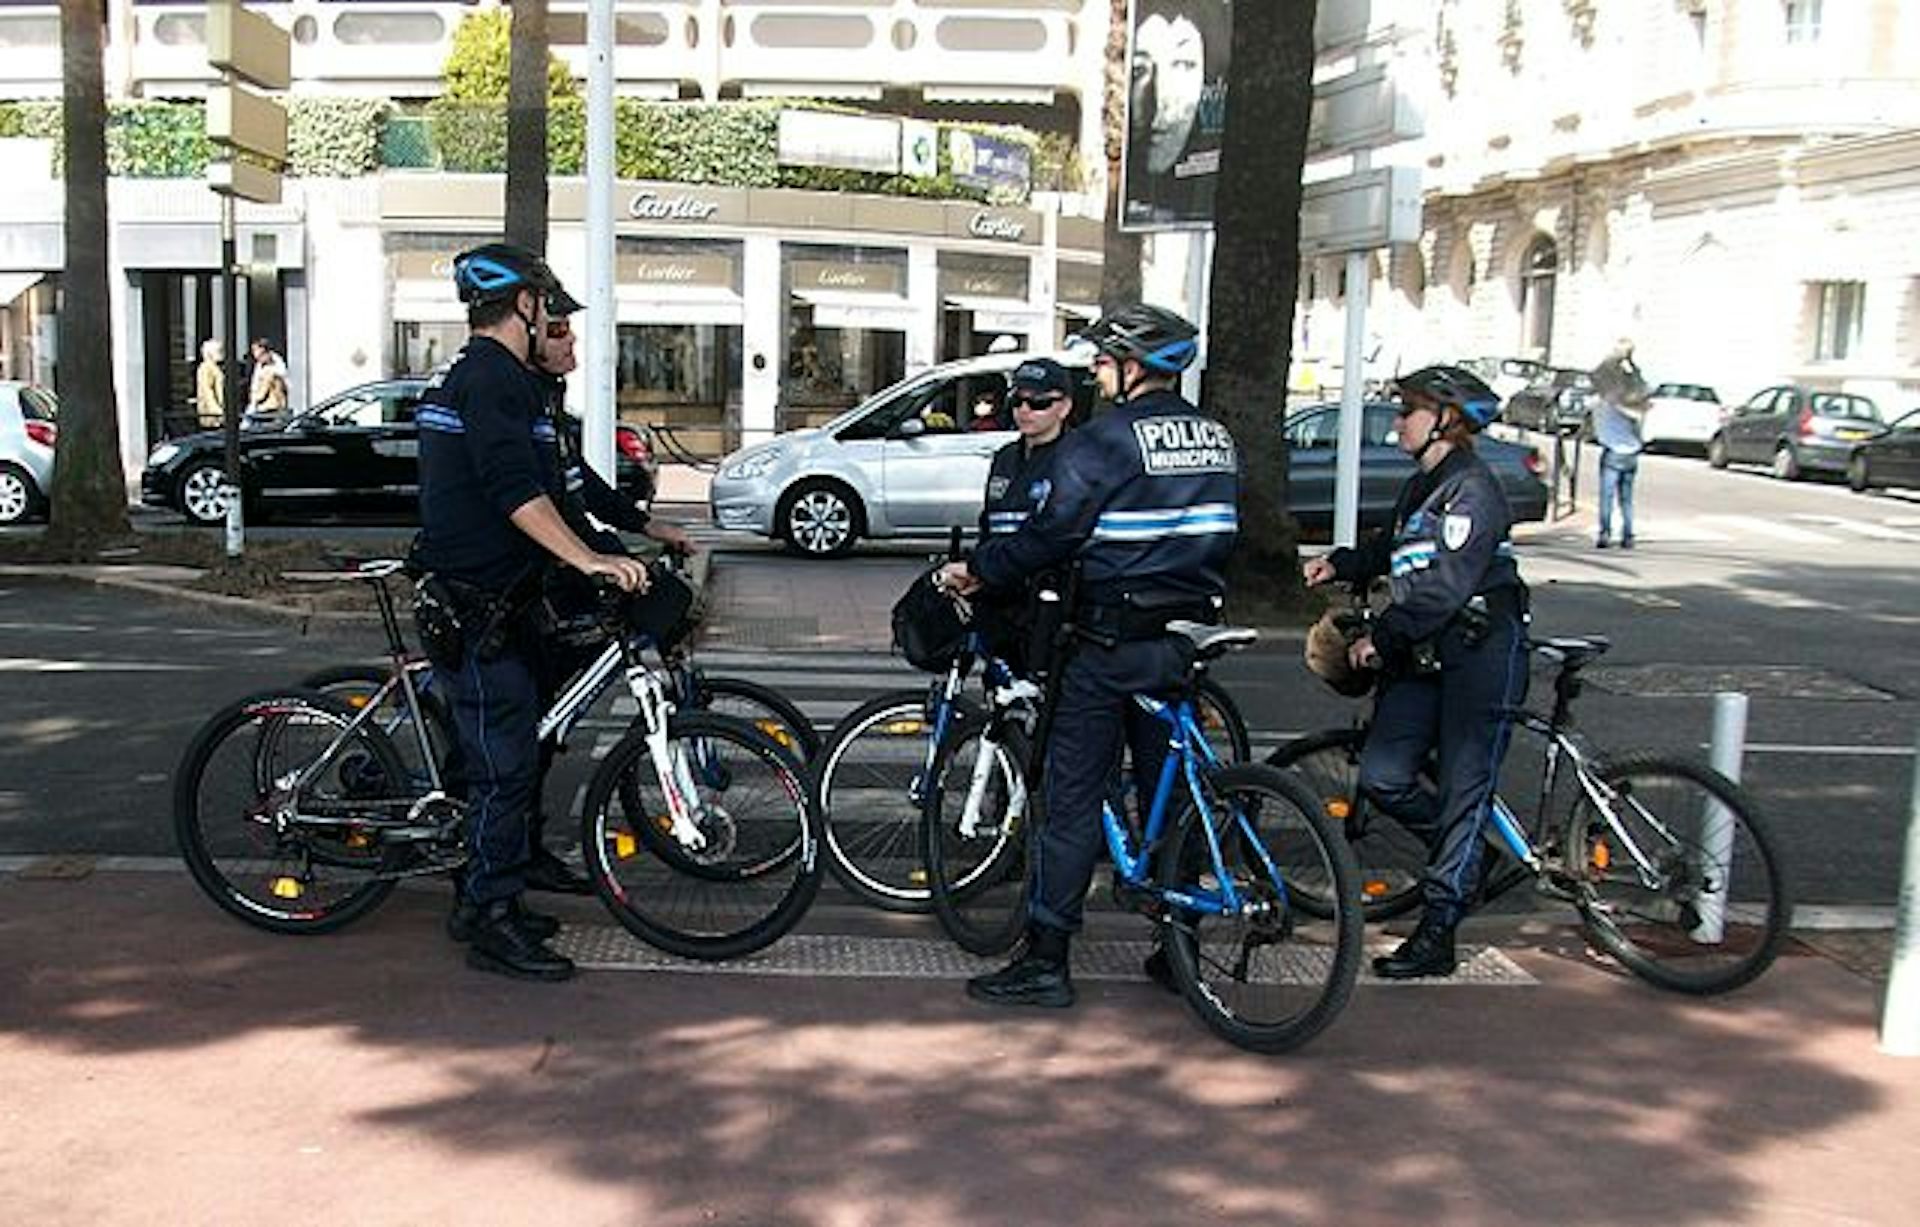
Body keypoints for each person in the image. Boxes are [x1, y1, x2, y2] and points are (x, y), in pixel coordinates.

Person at [937, 304, 1237, 1009]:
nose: (1098, 374)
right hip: (1186, 635)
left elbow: (1051, 536)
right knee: (1173, 789)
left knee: (1070, 801)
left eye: (1104, 362)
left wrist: (981, 569)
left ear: (1134, 367)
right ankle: (1179, 947)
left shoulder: (1103, 441)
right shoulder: (1218, 437)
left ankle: (1045, 961)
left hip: (1108, 642)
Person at [413, 241, 650, 982]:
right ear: (524, 304)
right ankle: (489, 917)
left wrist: (603, 547)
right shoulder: (492, 381)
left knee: (507, 755)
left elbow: (558, 491)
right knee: (503, 766)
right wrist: (588, 560)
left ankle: (494, 889)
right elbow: (515, 490)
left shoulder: (505, 380)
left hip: (500, 604)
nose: (555, 317)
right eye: (548, 303)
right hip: (474, 608)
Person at [1301, 364, 1531, 980]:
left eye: (1409, 411)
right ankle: (1468, 860)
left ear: (1446, 422)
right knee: (1382, 775)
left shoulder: (1473, 491)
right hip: (1426, 654)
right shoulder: (1422, 485)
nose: (1398, 421)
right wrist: (1341, 563)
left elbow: (1446, 589)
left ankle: (1438, 930)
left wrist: (1382, 636)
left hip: (1477, 654)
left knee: (1463, 790)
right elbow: (1393, 548)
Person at [518, 277, 696, 896]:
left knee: (542, 724)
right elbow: (534, 502)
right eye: (559, 330)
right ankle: (500, 866)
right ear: (531, 334)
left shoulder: (548, 407)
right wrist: (594, 558)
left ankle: (527, 847)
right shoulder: (518, 401)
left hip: (551, 572)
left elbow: (586, 489)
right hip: (522, 583)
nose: (571, 343)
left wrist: (652, 526)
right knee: (521, 728)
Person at [972, 359, 1075, 673]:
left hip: (1046, 601)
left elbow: (1059, 535)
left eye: (1039, 402)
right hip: (999, 593)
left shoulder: (1076, 458)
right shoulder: (1006, 457)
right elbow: (989, 522)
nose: (1025, 410)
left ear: (1064, 407)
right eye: (1017, 401)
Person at [1589, 338, 1650, 550]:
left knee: (1607, 496)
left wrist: (1615, 355)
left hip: (1612, 452)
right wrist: (1631, 362)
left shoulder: (1604, 405)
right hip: (1631, 453)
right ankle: (1628, 535)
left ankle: (1605, 534)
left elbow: (1596, 374)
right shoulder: (1633, 407)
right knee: (1626, 498)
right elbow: (1643, 389)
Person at [247, 339, 289, 415]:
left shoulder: (273, 369)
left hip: (269, 408)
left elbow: (261, 393)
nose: (257, 357)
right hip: (265, 407)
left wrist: (255, 399)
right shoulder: (260, 366)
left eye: (260, 355)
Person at [195, 339, 224, 430]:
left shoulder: (215, 367)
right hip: (211, 417)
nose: (221, 353)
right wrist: (217, 412)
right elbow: (207, 391)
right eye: (218, 351)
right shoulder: (205, 368)